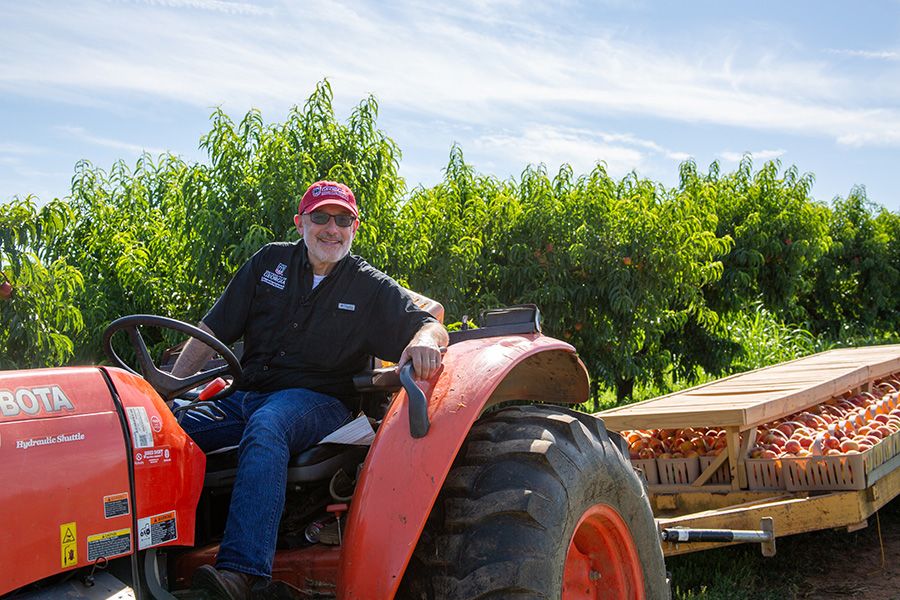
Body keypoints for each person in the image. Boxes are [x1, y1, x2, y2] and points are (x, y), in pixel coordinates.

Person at [171, 180, 448, 600]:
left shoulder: (369, 287)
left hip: (321, 403)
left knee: (268, 425)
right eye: (321, 217)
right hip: (244, 395)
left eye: (342, 220)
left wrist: (426, 340)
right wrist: (168, 391)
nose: (331, 228)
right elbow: (211, 330)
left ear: (355, 228)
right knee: (161, 429)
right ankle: (149, 557)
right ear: (301, 223)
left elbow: (429, 323)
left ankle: (241, 574)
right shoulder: (269, 263)